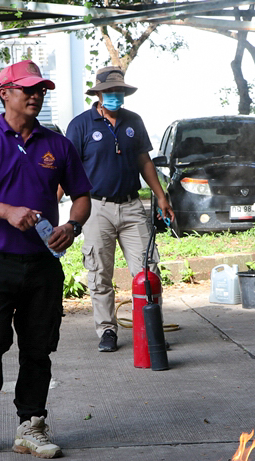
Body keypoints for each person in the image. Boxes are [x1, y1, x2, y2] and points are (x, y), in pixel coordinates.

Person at [0, 60, 91, 458]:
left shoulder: (57, 144)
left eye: (40, 90)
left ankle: (32, 425)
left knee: (38, 347)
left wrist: (73, 227)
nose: (35, 96)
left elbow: (81, 196)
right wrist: (6, 211)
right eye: (27, 89)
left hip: (44, 263)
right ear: (4, 93)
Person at [65, 66, 175, 352]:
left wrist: (161, 197)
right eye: (110, 92)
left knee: (148, 270)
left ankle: (149, 328)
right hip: (95, 208)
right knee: (99, 272)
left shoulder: (133, 122)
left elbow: (144, 161)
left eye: (119, 91)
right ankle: (107, 331)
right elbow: (68, 170)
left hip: (131, 206)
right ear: (99, 94)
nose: (115, 96)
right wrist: (54, 207)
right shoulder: (80, 125)